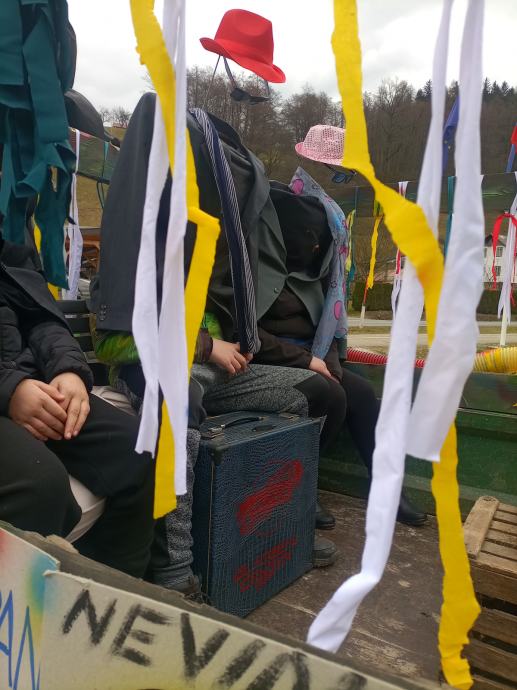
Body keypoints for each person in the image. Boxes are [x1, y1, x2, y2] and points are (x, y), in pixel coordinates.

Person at [250, 172, 427, 528]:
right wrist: (307, 361)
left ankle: (388, 490)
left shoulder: (317, 274)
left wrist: (329, 361)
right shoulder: (255, 271)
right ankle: (301, 486)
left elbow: (327, 326)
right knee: (332, 396)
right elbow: (248, 334)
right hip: (272, 360)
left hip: (313, 358)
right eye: (309, 240)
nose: (316, 249)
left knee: (361, 392)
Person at [0, 235, 155, 578]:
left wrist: (67, 370)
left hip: (30, 378)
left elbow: (39, 315)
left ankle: (114, 590)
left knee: (138, 448)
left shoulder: (10, 228)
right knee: (40, 484)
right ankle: (30, 605)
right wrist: (9, 389)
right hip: (12, 387)